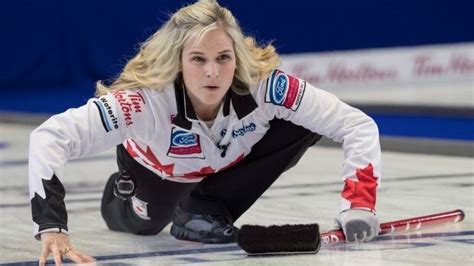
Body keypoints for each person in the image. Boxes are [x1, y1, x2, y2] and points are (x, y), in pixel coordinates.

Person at [28, 0, 381, 264]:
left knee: (302, 122)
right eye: (198, 59)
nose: (213, 72)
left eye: (223, 58)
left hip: (225, 166)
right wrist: (52, 226)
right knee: (142, 225)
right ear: (178, 61)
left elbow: (356, 124)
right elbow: (50, 137)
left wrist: (359, 205)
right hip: (157, 173)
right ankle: (120, 196)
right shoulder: (142, 102)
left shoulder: (266, 87)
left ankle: (204, 209)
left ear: (237, 58)